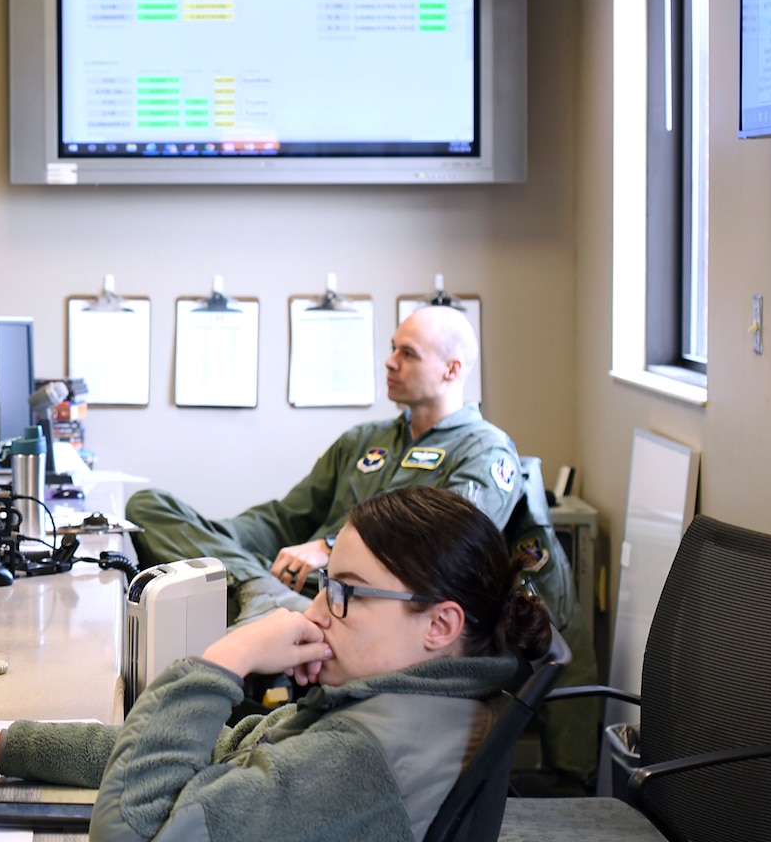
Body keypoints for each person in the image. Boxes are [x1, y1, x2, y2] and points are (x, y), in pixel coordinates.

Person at [0, 486, 553, 842]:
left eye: (346, 594)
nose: (316, 612)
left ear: (440, 624)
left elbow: (130, 829)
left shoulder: (361, 758)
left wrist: (224, 660)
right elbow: (214, 755)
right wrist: (4, 745)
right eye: (325, 585)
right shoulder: (409, 702)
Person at [128, 303, 595, 790]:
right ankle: (252, 586)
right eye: (392, 349)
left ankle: (258, 595)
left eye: (408, 353)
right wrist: (213, 540)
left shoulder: (485, 450)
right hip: (291, 587)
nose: (390, 362)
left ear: (452, 369)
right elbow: (284, 518)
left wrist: (328, 549)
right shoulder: (364, 441)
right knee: (147, 505)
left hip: (357, 607)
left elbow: (443, 553)